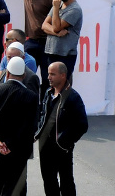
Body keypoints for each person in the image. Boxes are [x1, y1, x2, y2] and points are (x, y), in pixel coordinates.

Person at [0, 57, 38, 196]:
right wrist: (10, 144)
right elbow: (29, 127)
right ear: (24, 76)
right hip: (19, 152)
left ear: (6, 74)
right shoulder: (30, 96)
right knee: (15, 188)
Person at [35, 62, 88, 196]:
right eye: (48, 73)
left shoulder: (73, 97)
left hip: (62, 148)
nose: (48, 77)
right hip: (45, 145)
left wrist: (65, 142)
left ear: (63, 75)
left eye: (53, 74)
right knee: (48, 180)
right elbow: (42, 115)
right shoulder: (48, 92)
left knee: (66, 181)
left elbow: (82, 125)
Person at [0, 0, 52, 92]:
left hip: (47, 42)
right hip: (31, 41)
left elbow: (60, 11)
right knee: (25, 77)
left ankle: (44, 107)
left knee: (48, 78)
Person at [42, 0, 83, 81]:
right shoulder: (58, 4)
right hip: (51, 52)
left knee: (63, 85)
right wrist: (56, 34)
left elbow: (56, 27)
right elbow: (44, 25)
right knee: (50, 84)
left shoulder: (75, 9)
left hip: (66, 55)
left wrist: (55, 8)